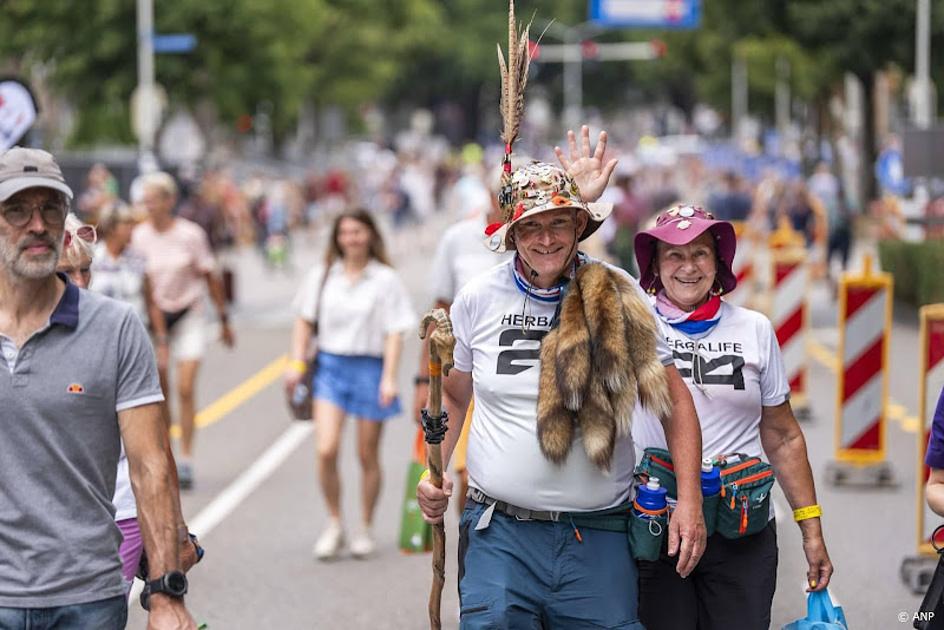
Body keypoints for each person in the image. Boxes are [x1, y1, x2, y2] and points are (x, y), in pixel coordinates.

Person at [416, 127, 706, 629]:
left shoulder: (618, 294)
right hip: (500, 534)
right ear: (512, 235)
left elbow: (675, 404)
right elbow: (454, 396)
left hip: (598, 536)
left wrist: (691, 501)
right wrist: (432, 471)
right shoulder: (478, 298)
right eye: (532, 227)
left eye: (558, 223)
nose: (546, 239)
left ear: (578, 226)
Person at [0, 147, 196, 627]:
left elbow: (150, 465)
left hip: (87, 596)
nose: (38, 225)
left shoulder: (116, 328)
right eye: (17, 210)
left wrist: (165, 593)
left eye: (50, 208)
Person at [631, 204, 834, 630]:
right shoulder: (633, 325)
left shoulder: (754, 329)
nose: (689, 267)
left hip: (741, 528)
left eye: (700, 254)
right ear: (655, 265)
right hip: (656, 526)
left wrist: (811, 531)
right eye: (674, 255)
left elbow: (783, 437)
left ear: (719, 262)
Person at [286, 208, 415, 560]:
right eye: (345, 233)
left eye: (358, 231)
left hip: (370, 368)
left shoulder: (385, 279)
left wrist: (389, 377)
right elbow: (303, 320)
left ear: (370, 234)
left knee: (366, 454)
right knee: (326, 449)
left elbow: (395, 332)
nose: (351, 239)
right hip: (330, 367)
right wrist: (296, 362)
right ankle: (334, 522)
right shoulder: (323, 275)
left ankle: (365, 526)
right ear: (337, 238)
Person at [414, 170, 511, 513]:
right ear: (489, 195)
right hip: (465, 372)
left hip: (512, 375)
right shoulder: (458, 238)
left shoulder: (538, 243)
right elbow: (439, 312)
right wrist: (423, 380)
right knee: (467, 478)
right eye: (504, 196)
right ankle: (469, 538)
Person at [131, 171, 235, 489]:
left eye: (154, 200)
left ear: (169, 201)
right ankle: (168, 453)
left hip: (188, 313)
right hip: (154, 319)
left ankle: (187, 456)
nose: (149, 206)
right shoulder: (139, 236)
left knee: (186, 387)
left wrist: (224, 319)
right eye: (145, 201)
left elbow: (210, 276)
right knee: (159, 390)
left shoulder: (190, 234)